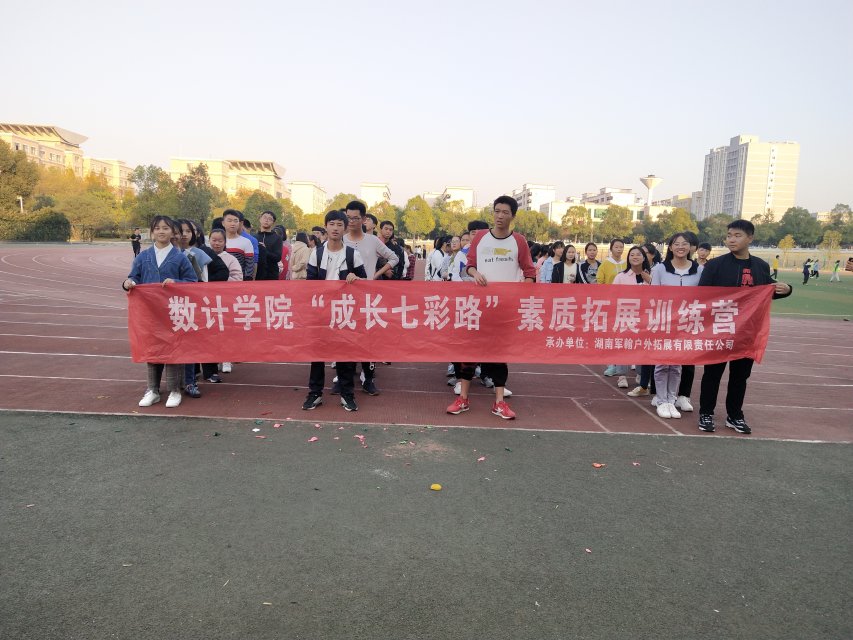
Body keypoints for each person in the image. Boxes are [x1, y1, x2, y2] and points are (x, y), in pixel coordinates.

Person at [697, 219, 793, 434]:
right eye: (729, 235)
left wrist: (786, 290)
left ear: (750, 238)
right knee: (712, 374)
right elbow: (702, 296)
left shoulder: (760, 266)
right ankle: (706, 413)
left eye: (737, 235)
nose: (731, 239)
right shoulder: (715, 265)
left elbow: (765, 294)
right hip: (720, 329)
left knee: (740, 377)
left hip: (747, 332)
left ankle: (734, 415)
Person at [447, 195, 535, 420]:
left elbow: (530, 273)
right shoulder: (480, 238)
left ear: (512, 216)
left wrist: (518, 296)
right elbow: (469, 266)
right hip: (477, 307)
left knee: (499, 355)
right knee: (469, 352)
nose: (500, 216)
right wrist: (475, 273)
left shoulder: (519, 242)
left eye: (505, 212)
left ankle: (499, 402)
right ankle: (463, 399)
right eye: (497, 211)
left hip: (503, 309)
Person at [123, 215, 198, 409]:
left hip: (173, 312)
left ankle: (174, 390)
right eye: (157, 228)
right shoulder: (143, 257)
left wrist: (176, 282)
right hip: (150, 313)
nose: (161, 231)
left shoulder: (180, 257)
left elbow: (192, 282)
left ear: (173, 232)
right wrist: (128, 283)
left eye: (165, 228)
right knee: (152, 349)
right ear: (152, 232)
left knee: (172, 350)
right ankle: (153, 390)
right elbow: (134, 277)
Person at [302, 210, 368, 413]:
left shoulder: (352, 254)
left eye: (340, 224)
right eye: (332, 224)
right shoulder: (317, 253)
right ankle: (315, 393)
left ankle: (347, 394)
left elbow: (365, 282)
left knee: (345, 355)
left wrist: (356, 279)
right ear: (326, 227)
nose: (335, 228)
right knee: (318, 354)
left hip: (344, 312)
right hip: (321, 312)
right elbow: (310, 284)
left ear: (345, 228)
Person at [343, 200, 399, 396]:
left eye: (355, 218)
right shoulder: (341, 239)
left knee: (367, 339)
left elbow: (394, 258)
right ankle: (344, 378)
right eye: (348, 218)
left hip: (367, 297)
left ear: (364, 219)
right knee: (346, 338)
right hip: (343, 298)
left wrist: (375, 275)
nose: (351, 222)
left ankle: (368, 378)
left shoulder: (372, 241)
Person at [650, 233, 703, 419]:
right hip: (664, 322)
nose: (681, 247)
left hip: (687, 323)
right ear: (671, 247)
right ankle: (661, 400)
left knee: (677, 364)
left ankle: (671, 399)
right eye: (676, 244)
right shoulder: (660, 269)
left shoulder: (699, 270)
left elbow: (704, 296)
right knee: (662, 363)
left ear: (690, 247)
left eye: (684, 243)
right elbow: (653, 296)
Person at [613, 247, 654, 398]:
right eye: (632, 255)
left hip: (646, 317)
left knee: (642, 346)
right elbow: (612, 296)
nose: (635, 257)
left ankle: (641, 375)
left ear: (644, 258)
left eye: (638, 254)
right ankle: (621, 375)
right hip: (626, 315)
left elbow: (660, 294)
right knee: (624, 345)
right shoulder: (621, 277)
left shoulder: (652, 276)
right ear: (628, 258)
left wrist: (650, 281)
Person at [600, 239, 628, 386]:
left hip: (626, 304)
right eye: (616, 247)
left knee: (623, 333)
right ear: (611, 248)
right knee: (611, 333)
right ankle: (611, 363)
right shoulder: (605, 264)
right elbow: (600, 281)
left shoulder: (626, 264)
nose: (619, 249)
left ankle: (622, 363)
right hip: (610, 302)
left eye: (621, 247)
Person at [222, 210, 255, 282]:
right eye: (229, 221)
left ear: (239, 224)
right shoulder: (218, 242)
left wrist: (246, 281)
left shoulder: (246, 242)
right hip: (219, 281)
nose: (232, 223)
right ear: (223, 223)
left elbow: (249, 265)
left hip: (239, 282)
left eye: (235, 221)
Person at [255, 211, 283, 280]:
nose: (266, 220)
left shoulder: (277, 238)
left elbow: (278, 257)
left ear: (273, 222)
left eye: (270, 219)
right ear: (260, 219)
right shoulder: (254, 237)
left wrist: (265, 250)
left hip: (271, 274)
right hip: (256, 273)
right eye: (264, 217)